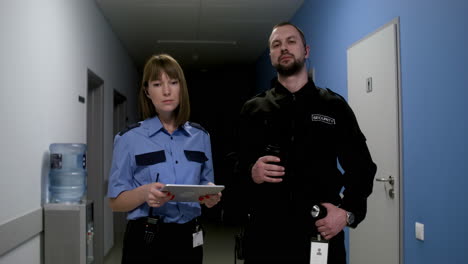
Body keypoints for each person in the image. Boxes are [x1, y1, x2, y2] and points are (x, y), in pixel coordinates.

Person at [237, 22, 377, 264]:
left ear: (306, 50)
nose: (284, 48)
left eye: (291, 41)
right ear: (271, 56)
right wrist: (251, 171)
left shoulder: (333, 106)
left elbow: (362, 167)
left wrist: (346, 213)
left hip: (319, 231)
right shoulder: (253, 109)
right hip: (266, 236)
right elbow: (232, 164)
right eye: (276, 45)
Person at [107, 54, 221, 264]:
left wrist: (210, 195)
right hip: (146, 237)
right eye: (158, 84)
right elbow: (115, 203)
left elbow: (206, 182)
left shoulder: (201, 137)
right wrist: (143, 193)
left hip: (190, 237)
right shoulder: (128, 139)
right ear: (147, 91)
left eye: (173, 83)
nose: (167, 91)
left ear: (182, 88)